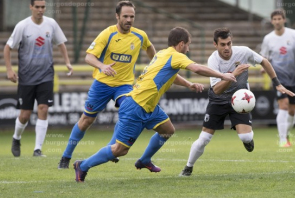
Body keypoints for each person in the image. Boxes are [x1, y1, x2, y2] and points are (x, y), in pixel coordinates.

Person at [72, 27, 237, 182]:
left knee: (167, 130)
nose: (188, 49)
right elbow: (197, 68)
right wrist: (223, 76)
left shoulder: (163, 54)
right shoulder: (177, 55)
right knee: (120, 150)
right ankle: (82, 165)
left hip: (148, 106)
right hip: (136, 105)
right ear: (181, 44)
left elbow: (172, 75)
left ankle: (144, 160)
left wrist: (189, 85)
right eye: (188, 45)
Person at [179, 27, 295, 176]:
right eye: (223, 44)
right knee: (204, 139)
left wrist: (277, 83)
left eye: (229, 43)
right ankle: (188, 167)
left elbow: (264, 61)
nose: (227, 48)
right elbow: (217, 90)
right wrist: (233, 74)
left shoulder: (244, 52)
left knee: (246, 137)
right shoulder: (213, 60)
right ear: (215, 45)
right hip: (218, 100)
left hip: (240, 99)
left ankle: (248, 140)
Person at [58, 0, 156, 169]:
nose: (129, 20)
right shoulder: (107, 34)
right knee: (86, 120)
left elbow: (149, 48)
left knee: (128, 111)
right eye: (125, 16)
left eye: (132, 16)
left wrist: (154, 65)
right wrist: (102, 66)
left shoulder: (140, 35)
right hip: (102, 84)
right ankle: (66, 156)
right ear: (117, 16)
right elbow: (89, 57)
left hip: (124, 85)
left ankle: (111, 149)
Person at [4, 0, 73, 157]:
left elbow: (61, 43)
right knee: (25, 114)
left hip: (46, 75)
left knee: (43, 109)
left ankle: (37, 149)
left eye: (43, 7)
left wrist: (67, 62)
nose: (41, 10)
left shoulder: (51, 24)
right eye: (37, 7)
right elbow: (8, 48)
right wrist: (9, 70)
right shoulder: (23, 26)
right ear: (31, 7)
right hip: (26, 77)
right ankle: (16, 137)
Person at [260, 9, 295, 147]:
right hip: (278, 78)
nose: (277, 21)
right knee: (283, 105)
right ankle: (282, 140)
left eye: (279, 19)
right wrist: (263, 67)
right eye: (274, 19)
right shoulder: (268, 39)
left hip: (293, 77)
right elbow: (264, 57)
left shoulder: (294, 34)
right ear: (272, 21)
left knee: (292, 111)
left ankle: (286, 133)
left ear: (284, 20)